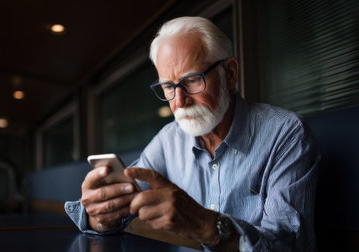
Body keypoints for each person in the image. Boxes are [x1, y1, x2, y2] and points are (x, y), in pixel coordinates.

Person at [65, 16, 320, 251]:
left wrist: (207, 225)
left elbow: (289, 245)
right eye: (168, 86)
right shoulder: (169, 140)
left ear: (230, 74)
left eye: (192, 80)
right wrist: (100, 214)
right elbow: (122, 200)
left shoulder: (286, 134)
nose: (179, 101)